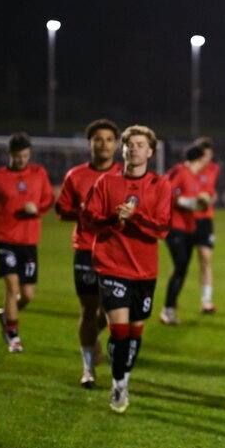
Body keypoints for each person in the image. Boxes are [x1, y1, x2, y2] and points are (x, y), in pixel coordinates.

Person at [83, 125, 171, 413]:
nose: (133, 148)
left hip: (144, 270)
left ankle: (124, 375)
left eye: (139, 144)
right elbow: (89, 220)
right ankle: (119, 384)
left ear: (150, 151)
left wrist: (135, 217)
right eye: (129, 144)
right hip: (111, 265)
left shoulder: (160, 185)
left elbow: (162, 228)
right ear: (123, 150)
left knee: (134, 333)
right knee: (119, 331)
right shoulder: (106, 183)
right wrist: (113, 218)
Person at [0, 133, 53, 353]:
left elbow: (48, 200)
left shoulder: (39, 174)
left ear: (29, 154)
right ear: (9, 155)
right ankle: (13, 336)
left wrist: (38, 208)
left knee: (27, 295)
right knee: (11, 286)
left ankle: (6, 316)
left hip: (29, 241)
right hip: (5, 240)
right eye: (17, 157)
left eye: (25, 156)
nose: (21, 160)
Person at [55, 118, 123, 387]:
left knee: (110, 311)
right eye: (98, 139)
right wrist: (82, 213)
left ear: (116, 145)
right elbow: (62, 210)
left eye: (108, 139)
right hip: (85, 249)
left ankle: (94, 336)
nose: (103, 144)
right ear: (89, 144)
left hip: (116, 251)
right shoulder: (75, 176)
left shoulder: (124, 176)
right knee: (88, 307)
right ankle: (87, 370)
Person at [159, 145, 212, 325]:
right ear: (199, 160)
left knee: (182, 269)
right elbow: (168, 193)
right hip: (175, 227)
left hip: (188, 227)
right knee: (180, 267)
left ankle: (170, 307)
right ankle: (167, 310)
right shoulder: (180, 172)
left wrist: (199, 203)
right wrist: (194, 203)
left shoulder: (193, 176)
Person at [191, 137, 220, 314]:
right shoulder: (187, 169)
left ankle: (206, 301)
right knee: (182, 264)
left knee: (205, 259)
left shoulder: (213, 169)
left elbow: (211, 191)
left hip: (205, 219)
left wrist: (210, 198)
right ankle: (171, 302)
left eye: (209, 155)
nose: (206, 159)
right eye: (203, 155)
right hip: (186, 220)